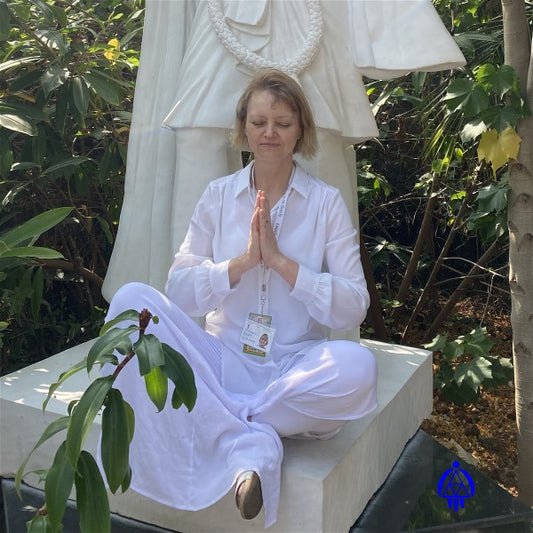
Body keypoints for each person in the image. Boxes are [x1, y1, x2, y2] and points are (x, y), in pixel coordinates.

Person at [103, 69, 378, 527]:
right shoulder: (218, 196)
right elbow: (179, 291)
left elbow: (354, 304)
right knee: (131, 302)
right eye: (259, 121)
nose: (270, 132)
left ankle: (229, 425)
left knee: (358, 370)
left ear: (301, 130)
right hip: (221, 360)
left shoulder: (326, 203)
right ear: (243, 127)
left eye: (283, 123)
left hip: (293, 368)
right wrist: (243, 263)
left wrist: (284, 265)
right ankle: (253, 435)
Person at [101, 0, 465, 301]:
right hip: (223, 10)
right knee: (196, 132)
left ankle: (332, 327)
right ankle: (188, 330)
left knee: (321, 137)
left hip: (306, 14)